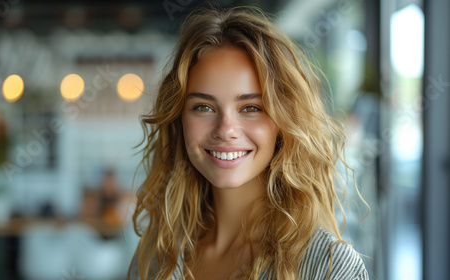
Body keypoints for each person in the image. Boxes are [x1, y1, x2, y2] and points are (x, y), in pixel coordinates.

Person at [129, 5, 368, 280]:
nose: (226, 130)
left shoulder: (328, 266)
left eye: (251, 108)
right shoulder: (156, 256)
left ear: (283, 122)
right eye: (204, 107)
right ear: (179, 120)